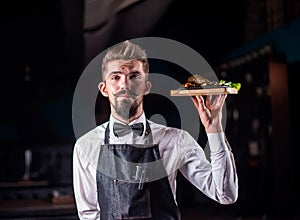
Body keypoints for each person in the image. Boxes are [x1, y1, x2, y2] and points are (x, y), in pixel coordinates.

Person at [72, 40, 238, 220]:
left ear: (147, 86)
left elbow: (226, 194)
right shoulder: (86, 146)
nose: (125, 84)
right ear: (104, 88)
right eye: (116, 77)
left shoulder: (176, 140)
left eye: (134, 76)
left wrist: (215, 131)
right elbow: (89, 215)